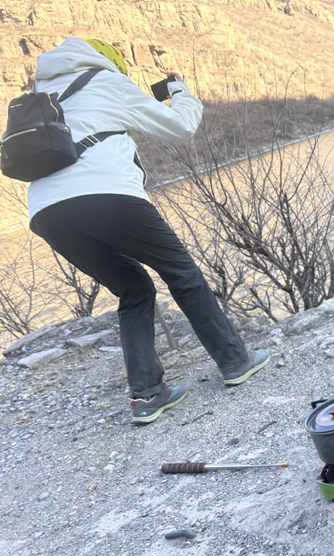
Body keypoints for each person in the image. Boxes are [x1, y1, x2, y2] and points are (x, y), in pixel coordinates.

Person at [26, 38, 269, 424]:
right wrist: (180, 91)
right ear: (109, 61)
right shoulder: (106, 80)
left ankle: (147, 394)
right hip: (106, 194)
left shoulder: (39, 97)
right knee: (181, 273)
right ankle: (235, 361)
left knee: (133, 288)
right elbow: (181, 126)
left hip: (45, 212)